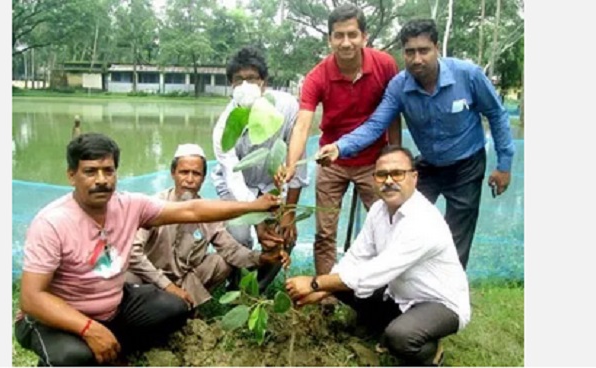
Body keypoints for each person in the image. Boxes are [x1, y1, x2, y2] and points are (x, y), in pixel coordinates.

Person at [14, 133, 280, 366]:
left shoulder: (129, 205)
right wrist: (87, 328)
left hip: (112, 308)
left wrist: (253, 206)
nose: (102, 180)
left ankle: (112, 346)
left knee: (175, 308)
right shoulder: (51, 223)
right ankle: (86, 347)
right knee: (74, 357)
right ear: (71, 175)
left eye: (108, 171)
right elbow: (32, 298)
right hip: (56, 317)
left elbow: (192, 210)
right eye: (90, 171)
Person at [317, 18, 515, 268]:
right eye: (410, 52)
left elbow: (497, 114)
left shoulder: (468, 75)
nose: (417, 59)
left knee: (456, 237)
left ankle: (446, 298)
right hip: (428, 165)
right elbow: (376, 124)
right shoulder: (398, 86)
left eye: (424, 50)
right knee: (403, 220)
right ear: (403, 53)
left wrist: (504, 164)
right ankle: (400, 289)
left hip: (466, 165)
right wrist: (339, 147)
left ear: (437, 49)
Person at [285, 145, 470, 366]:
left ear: (414, 177)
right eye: (382, 175)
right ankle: (385, 326)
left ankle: (429, 351)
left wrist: (315, 284)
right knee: (344, 281)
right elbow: (356, 257)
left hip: (437, 303)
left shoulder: (423, 221)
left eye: (397, 173)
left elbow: (376, 272)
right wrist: (325, 290)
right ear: (374, 179)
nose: (389, 180)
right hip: (398, 293)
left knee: (400, 338)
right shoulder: (378, 210)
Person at [281, 4, 401, 301]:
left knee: (386, 228)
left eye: (352, 35)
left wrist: (393, 154)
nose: (345, 42)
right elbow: (302, 124)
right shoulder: (317, 76)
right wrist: (292, 163)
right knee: (325, 231)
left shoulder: (385, 65)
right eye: (338, 36)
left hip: (374, 161)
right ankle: (326, 295)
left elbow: (394, 112)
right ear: (329, 39)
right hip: (331, 162)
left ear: (364, 36)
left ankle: (381, 293)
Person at [126, 143, 291, 307]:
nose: (189, 180)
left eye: (196, 174)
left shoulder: (208, 213)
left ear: (203, 178)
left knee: (222, 263)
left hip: (183, 279)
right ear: (173, 174)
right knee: (128, 278)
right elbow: (133, 252)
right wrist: (165, 284)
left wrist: (262, 258)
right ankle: (166, 304)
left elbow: (231, 249)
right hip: (151, 278)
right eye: (184, 172)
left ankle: (186, 303)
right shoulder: (155, 205)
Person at [212, 46, 308, 291]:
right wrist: (257, 221)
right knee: (239, 236)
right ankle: (234, 287)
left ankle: (258, 288)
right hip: (237, 188)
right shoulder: (225, 125)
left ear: (264, 82)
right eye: (238, 80)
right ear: (230, 85)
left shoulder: (286, 107)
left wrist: (289, 213)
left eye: (252, 78)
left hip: (272, 185)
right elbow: (233, 176)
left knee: (283, 236)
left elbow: (296, 161)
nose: (245, 85)